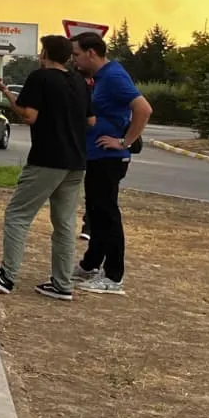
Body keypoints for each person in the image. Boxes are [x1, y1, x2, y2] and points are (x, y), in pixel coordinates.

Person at [0, 36, 91, 300]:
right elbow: (91, 120)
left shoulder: (41, 77)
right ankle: (62, 284)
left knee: (18, 214)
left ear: (45, 53)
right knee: (64, 224)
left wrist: (10, 99)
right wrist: (6, 91)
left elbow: (29, 116)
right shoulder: (80, 82)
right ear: (68, 56)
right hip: (76, 163)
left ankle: (6, 275)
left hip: (47, 159)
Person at [71, 32, 151, 295]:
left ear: (91, 52)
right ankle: (91, 264)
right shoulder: (102, 77)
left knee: (107, 215)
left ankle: (114, 277)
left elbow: (143, 109)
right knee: (96, 214)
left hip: (110, 158)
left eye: (77, 54)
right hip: (96, 156)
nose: (75, 59)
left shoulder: (114, 76)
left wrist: (124, 142)